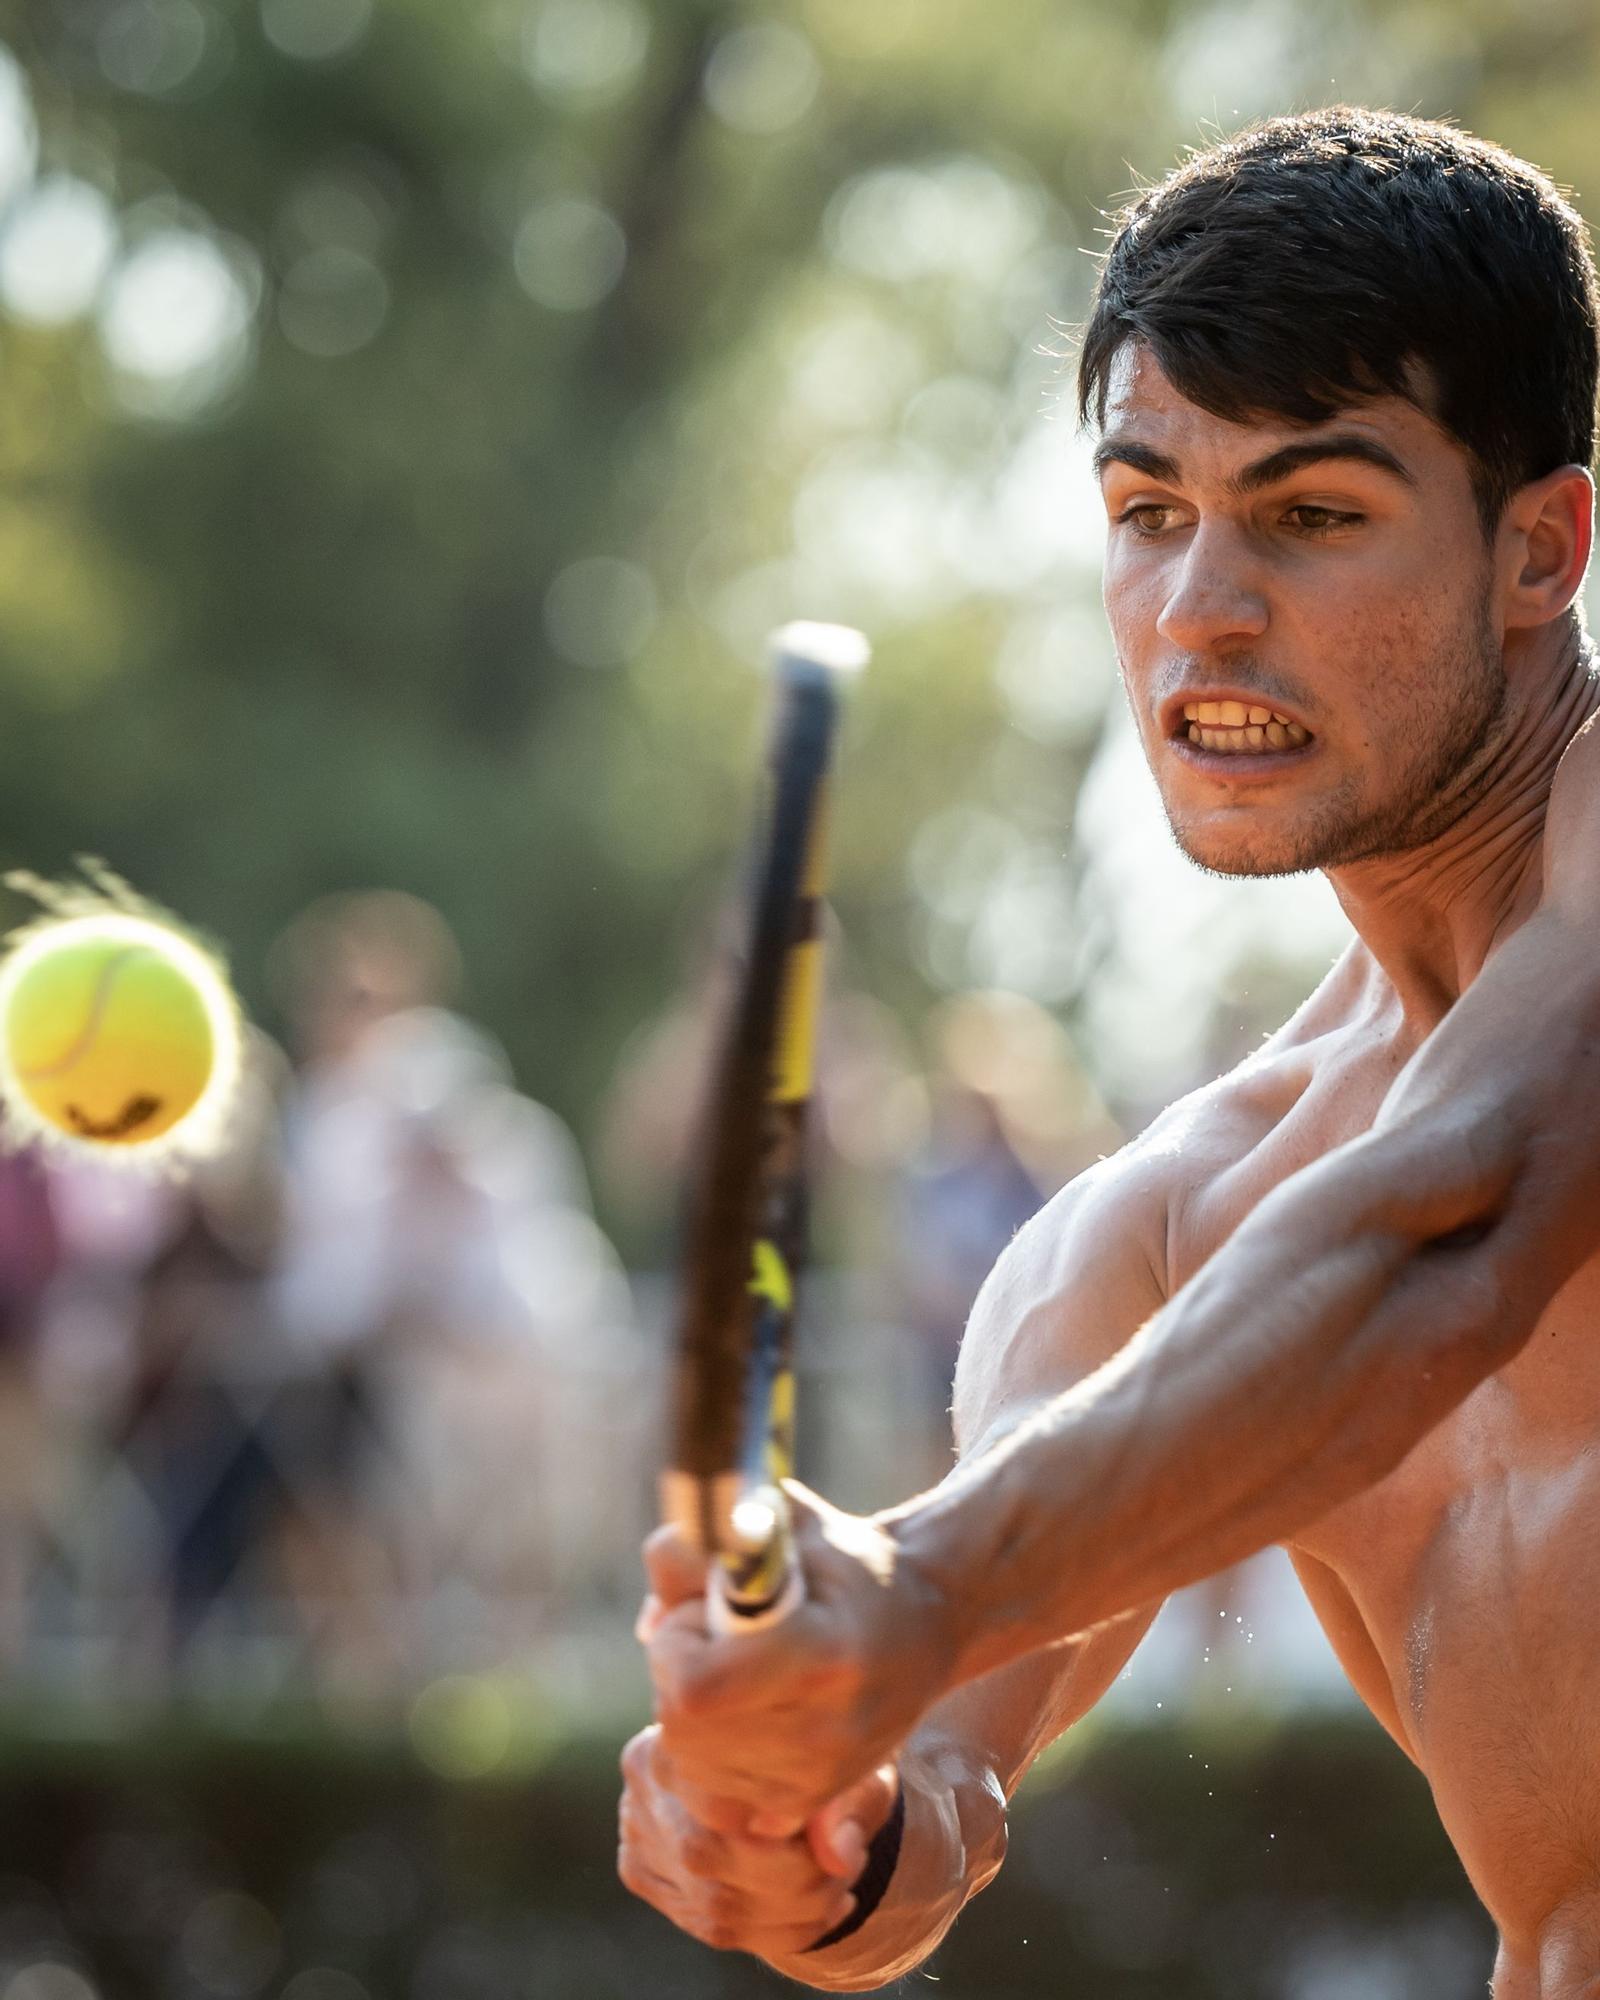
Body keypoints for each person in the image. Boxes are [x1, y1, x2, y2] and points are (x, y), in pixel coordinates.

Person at [617, 107, 1600, 1998]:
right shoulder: (1159, 1233)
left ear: (1541, 548)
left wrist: (913, 1591)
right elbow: (937, 1794)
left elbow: (1455, 1239)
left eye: (1314, 514)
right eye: (1148, 514)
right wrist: (806, 1826)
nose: (1201, 612)